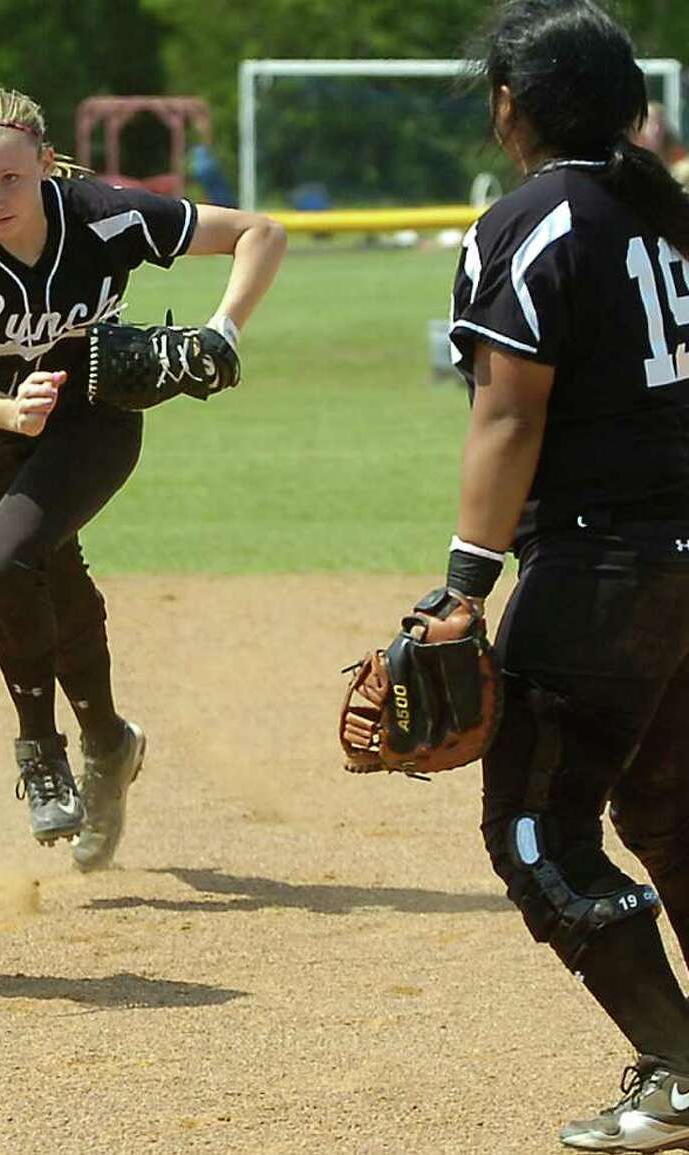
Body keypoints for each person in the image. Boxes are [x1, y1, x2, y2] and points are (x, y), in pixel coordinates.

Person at [0, 88, 285, 870]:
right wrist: (8, 411)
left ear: (46, 162)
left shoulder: (106, 215)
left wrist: (221, 331)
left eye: (9, 177)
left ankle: (40, 752)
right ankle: (109, 742)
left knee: (3, 562)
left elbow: (260, 233)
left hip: (97, 416)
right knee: (44, 574)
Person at [438, 2, 689, 1147]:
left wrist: (462, 587)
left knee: (537, 826)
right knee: (674, 809)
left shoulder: (532, 219)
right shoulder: (669, 210)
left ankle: (682, 1070)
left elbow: (507, 412)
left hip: (605, 568)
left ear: (513, 107)